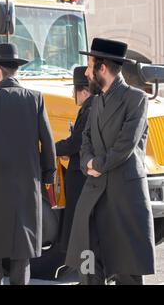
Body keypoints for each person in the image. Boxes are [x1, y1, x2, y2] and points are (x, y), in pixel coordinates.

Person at [0, 43, 56, 285]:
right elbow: (48, 142)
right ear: (16, 70)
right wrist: (48, 175)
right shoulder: (35, 99)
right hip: (27, 187)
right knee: (22, 253)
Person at [65, 38, 155, 285]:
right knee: (89, 266)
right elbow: (85, 139)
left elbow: (125, 146)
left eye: (89, 65)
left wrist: (96, 165)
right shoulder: (95, 102)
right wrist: (87, 163)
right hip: (94, 195)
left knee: (127, 272)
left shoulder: (136, 99)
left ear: (101, 68)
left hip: (124, 197)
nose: (86, 72)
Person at [55, 66, 94, 253]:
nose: (72, 95)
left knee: (80, 228)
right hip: (83, 174)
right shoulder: (93, 107)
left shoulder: (89, 109)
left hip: (80, 177)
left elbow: (76, 142)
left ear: (84, 91)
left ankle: (85, 276)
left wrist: (51, 148)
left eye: (74, 90)